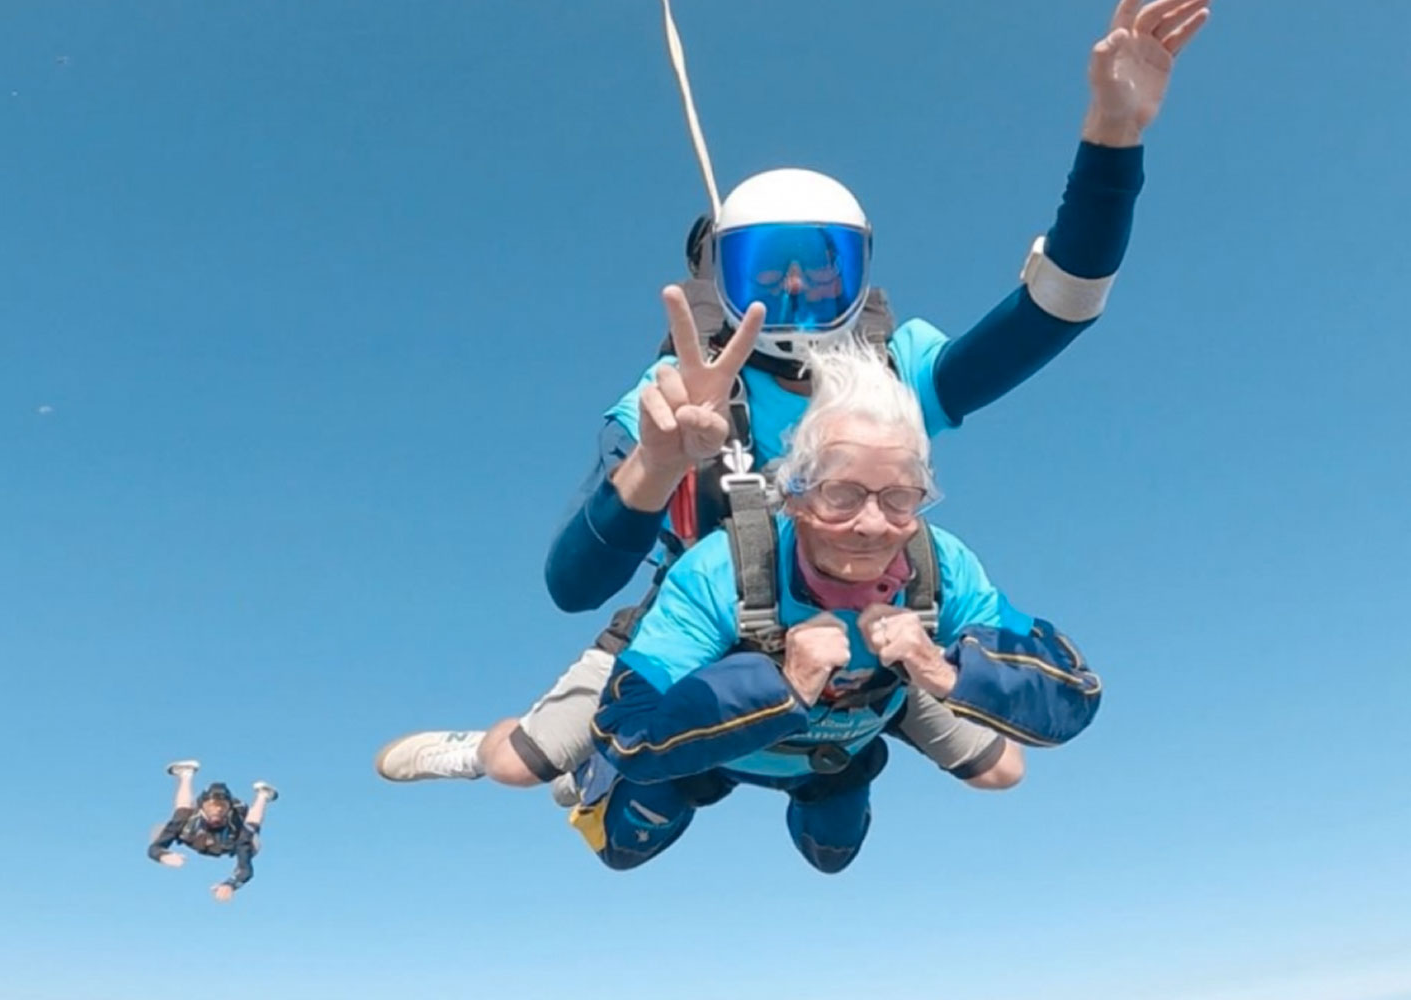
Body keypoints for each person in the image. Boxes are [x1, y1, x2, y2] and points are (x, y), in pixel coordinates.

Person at [374, 0, 1205, 794]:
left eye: (823, 266)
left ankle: (839, 742)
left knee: (999, 771)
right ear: (721, 281)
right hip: (716, 614)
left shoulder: (894, 371)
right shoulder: (675, 397)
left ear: (862, 272)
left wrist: (1113, 138)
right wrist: (657, 463)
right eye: (769, 271)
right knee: (529, 761)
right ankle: (481, 755)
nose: (800, 289)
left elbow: (1055, 311)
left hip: (871, 615)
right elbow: (573, 585)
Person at [570, 339, 1100, 871]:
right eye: (840, 495)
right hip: (715, 752)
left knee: (833, 853)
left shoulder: (942, 568)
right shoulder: (725, 567)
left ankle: (833, 779)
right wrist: (781, 682)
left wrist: (940, 670)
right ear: (795, 496)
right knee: (623, 848)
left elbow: (1072, 692)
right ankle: (586, 779)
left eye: (899, 497)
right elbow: (625, 726)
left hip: (831, 760)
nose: (872, 525)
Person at [147, 760, 279, 902]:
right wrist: (163, 856)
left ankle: (263, 797)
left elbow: (245, 869)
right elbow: (154, 848)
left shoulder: (239, 831)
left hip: (226, 845)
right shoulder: (187, 819)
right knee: (181, 812)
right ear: (203, 807)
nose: (217, 811)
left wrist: (231, 885)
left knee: (251, 834)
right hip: (194, 839)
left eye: (222, 807)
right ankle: (185, 775)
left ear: (228, 809)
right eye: (211, 806)